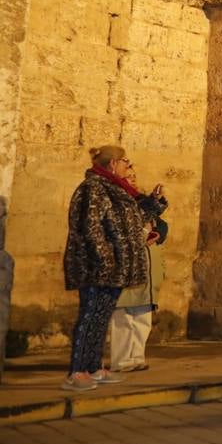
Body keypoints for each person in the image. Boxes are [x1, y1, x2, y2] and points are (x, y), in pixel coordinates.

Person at [62, 145, 148, 391]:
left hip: (114, 268)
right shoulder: (93, 188)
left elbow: (131, 224)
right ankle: (76, 371)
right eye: (125, 161)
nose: (128, 166)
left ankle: (94, 367)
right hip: (96, 267)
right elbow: (91, 228)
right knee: (89, 317)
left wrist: (153, 205)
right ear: (113, 164)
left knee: (101, 318)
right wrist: (106, 259)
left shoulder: (116, 190)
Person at [109, 163, 169, 372]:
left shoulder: (140, 202)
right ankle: (122, 360)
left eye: (134, 176)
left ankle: (136, 357)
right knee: (124, 316)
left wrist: (157, 231)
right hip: (128, 265)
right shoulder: (116, 201)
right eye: (128, 176)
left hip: (146, 266)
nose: (132, 179)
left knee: (142, 317)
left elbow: (160, 223)